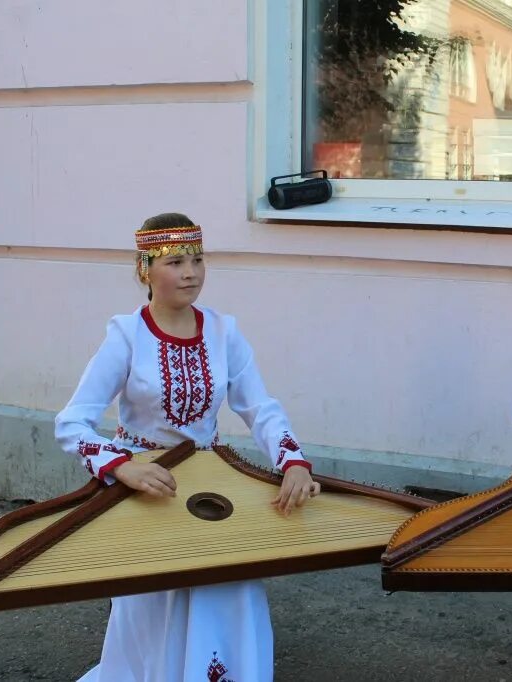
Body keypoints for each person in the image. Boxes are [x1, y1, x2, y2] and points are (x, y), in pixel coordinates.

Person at [55, 213, 318, 682]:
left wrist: (292, 460)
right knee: (157, 595)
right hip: (143, 485)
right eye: (175, 261)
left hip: (210, 480)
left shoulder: (223, 331)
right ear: (145, 270)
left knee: (232, 583)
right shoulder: (126, 335)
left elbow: (259, 406)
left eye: (197, 260)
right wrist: (122, 468)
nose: (190, 272)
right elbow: (72, 423)